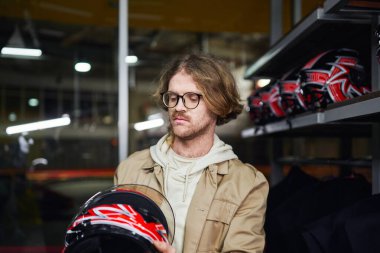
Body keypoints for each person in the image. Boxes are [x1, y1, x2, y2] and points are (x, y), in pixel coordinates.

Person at [114, 53, 269, 253]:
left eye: (192, 98)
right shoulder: (131, 168)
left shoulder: (247, 184)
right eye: (173, 97)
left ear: (218, 103)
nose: (178, 107)